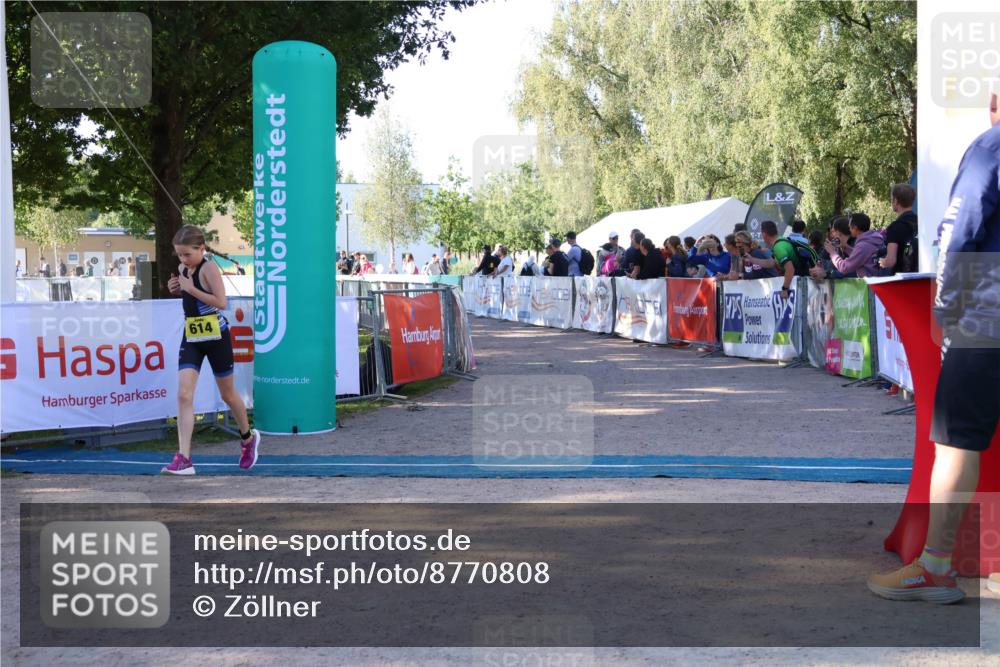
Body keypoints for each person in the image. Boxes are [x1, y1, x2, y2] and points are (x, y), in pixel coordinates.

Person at [867, 92, 1000, 604]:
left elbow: (959, 231)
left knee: (955, 443)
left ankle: (937, 568)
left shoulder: (990, 147)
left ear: (994, 100)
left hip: (986, 318)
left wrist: (943, 312)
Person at [161, 225, 260, 476]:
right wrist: (177, 289)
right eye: (179, 255)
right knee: (184, 395)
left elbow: (221, 302)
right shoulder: (184, 269)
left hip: (216, 335)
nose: (183, 260)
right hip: (193, 335)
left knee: (228, 395)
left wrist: (190, 288)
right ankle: (184, 458)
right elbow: (188, 296)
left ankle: (248, 439)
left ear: (201, 249)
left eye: (187, 254)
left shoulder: (209, 268)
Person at [816, 213, 882, 279]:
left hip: (870, 284)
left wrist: (833, 253)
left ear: (855, 228)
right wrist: (845, 247)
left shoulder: (863, 246)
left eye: (850, 227)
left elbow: (844, 267)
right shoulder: (870, 240)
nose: (849, 230)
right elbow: (859, 256)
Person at [879, 183, 918, 275]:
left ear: (896, 201)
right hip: (922, 276)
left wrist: (882, 261)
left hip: (902, 279)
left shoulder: (895, 227)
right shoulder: (920, 222)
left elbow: (891, 261)